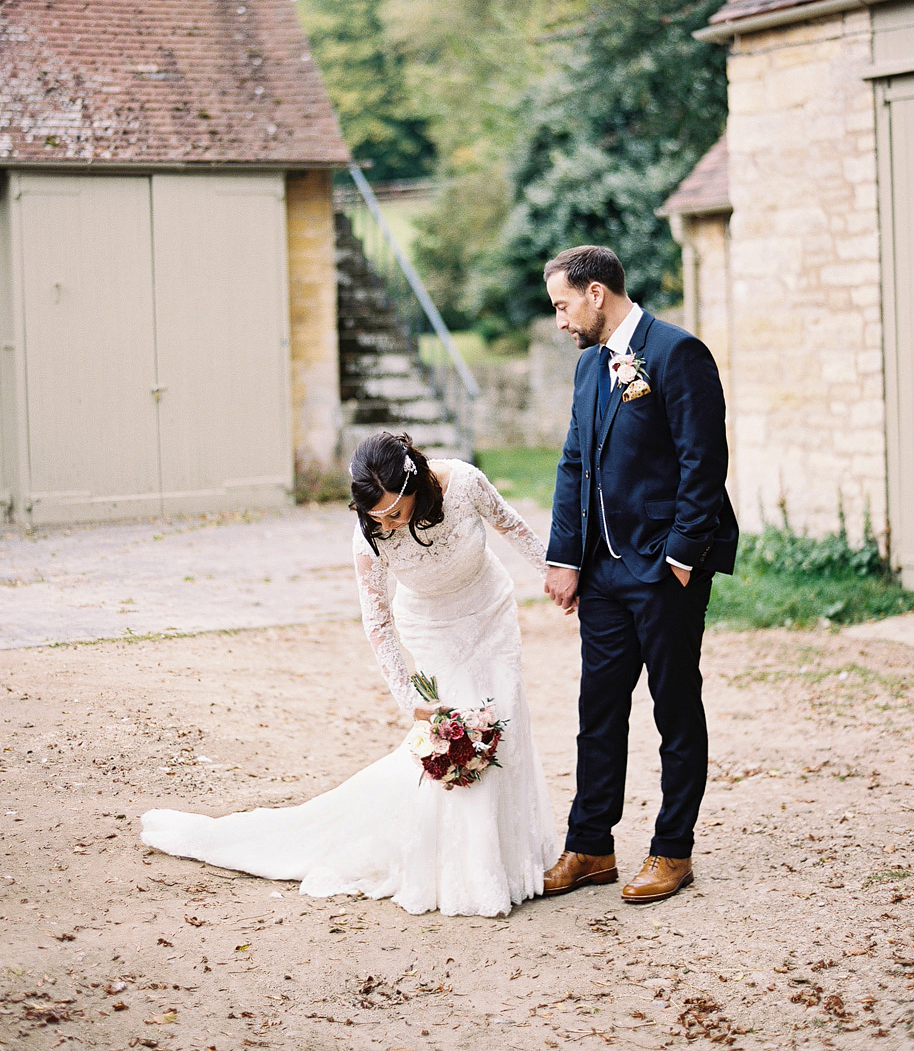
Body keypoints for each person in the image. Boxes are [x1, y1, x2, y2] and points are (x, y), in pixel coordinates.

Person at [142, 432, 559, 918]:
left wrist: (556, 570)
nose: (386, 522)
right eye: (376, 515)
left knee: (505, 719)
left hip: (490, 612)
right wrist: (408, 698)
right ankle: (469, 872)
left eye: (394, 511)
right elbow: (377, 620)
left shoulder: (463, 482)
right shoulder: (370, 533)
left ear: (417, 483)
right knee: (464, 735)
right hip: (434, 632)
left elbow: (509, 523)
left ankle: (517, 859)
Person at [541, 245, 738, 904]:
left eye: (564, 306)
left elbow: (703, 462)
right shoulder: (590, 367)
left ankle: (672, 851)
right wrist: (566, 557)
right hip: (600, 571)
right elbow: (575, 464)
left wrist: (681, 557)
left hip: (663, 569)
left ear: (597, 294)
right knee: (597, 709)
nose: (560, 321)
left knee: (674, 708)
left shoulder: (679, 353)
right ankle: (591, 844)